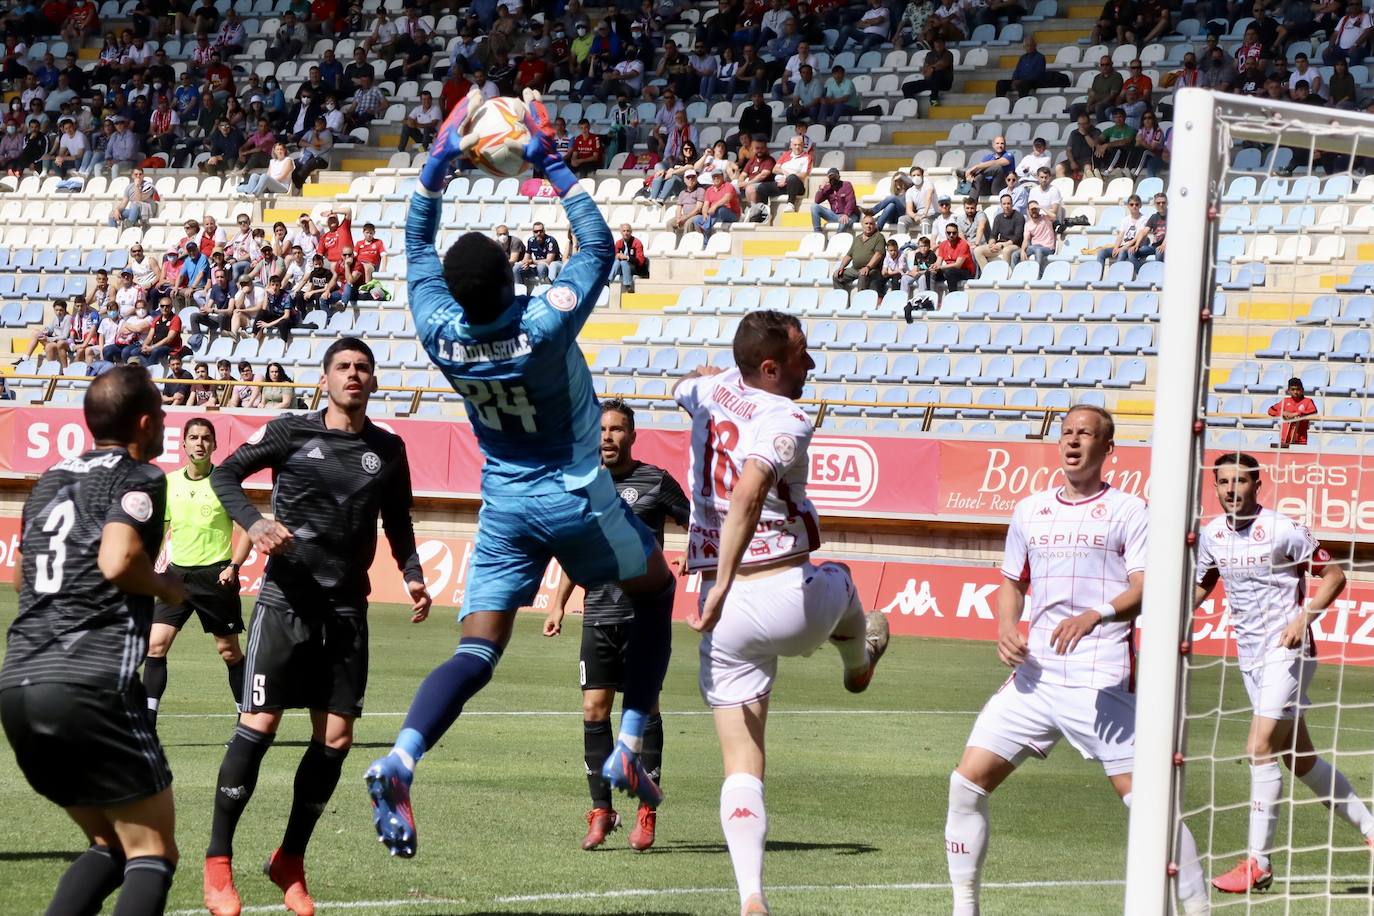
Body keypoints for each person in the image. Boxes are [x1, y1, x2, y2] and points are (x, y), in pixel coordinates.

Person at [365, 88, 678, 861]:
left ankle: (403, 755)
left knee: (476, 651)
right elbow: (597, 248)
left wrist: (436, 168)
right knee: (657, 589)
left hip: (503, 504)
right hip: (575, 494)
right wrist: (547, 164)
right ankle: (632, 739)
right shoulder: (540, 328)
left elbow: (413, 248)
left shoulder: (440, 333)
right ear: (511, 283)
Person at [946, 405, 1210, 915]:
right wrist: (1006, 628)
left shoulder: (1131, 512)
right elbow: (1012, 582)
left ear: (1108, 449)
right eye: (1066, 432)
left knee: (1150, 807)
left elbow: (1146, 587)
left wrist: (1098, 615)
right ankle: (965, 909)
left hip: (1100, 678)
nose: (1072, 441)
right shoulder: (1030, 509)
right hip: (1035, 678)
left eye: (1085, 434)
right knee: (966, 783)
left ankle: (1196, 910)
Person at [201, 337, 431, 916]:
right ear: (325, 379)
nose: (354, 375)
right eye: (343, 367)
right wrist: (253, 524)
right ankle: (218, 863)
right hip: (285, 604)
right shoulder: (289, 430)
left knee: (336, 740)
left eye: (363, 368)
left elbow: (397, 517)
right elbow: (225, 474)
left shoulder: (388, 448)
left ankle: (290, 861)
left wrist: (412, 573)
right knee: (259, 725)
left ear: (374, 382)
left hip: (348, 610)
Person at [673, 310, 889, 916]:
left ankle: (752, 896)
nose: (810, 366)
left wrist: (717, 590)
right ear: (770, 369)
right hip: (785, 595)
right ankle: (858, 658)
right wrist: (727, 583)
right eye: (801, 356)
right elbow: (748, 491)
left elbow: (681, 386)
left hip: (722, 614)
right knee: (844, 579)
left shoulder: (712, 390)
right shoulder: (786, 415)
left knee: (742, 760)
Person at [0, 365, 185, 916]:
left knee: (108, 844)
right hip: (89, 680)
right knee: (152, 851)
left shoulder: (51, 479)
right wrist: (167, 587)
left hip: (18, 685)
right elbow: (118, 558)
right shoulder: (140, 476)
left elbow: (20, 575)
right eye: (161, 410)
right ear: (147, 421)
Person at [1196, 452, 1374, 894]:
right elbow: (1204, 582)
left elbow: (1333, 576)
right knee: (1300, 759)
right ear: (1214, 486)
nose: (1231, 490)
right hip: (1249, 656)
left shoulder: (1282, 529)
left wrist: (1303, 618)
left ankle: (1258, 862)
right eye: (1223, 482)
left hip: (1289, 649)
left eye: (1240, 481)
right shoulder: (1212, 534)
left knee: (1258, 746)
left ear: (1259, 485)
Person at [543, 399, 689, 851]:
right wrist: (558, 600)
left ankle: (647, 812)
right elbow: (576, 547)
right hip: (599, 614)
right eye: (602, 429)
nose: (608, 436)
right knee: (594, 711)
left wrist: (696, 558)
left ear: (632, 436)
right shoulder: (584, 484)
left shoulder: (655, 481)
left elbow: (701, 522)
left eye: (617, 429)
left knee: (645, 713)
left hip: (644, 615)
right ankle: (601, 810)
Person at [142, 417, 252, 723]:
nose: (199, 443)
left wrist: (234, 566)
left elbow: (247, 529)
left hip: (216, 578)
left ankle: (246, 720)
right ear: (184, 443)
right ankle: (148, 721)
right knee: (156, 645)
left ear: (214, 445)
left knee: (229, 652)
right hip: (177, 577)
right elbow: (160, 527)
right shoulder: (170, 482)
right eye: (194, 437)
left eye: (206, 438)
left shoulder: (224, 482)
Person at [832, 212, 885, 292]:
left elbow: (878, 254)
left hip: (872, 270)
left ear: (874, 225)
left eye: (871, 224)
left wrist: (868, 267)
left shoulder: (879, 237)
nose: (868, 226)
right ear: (862, 225)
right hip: (855, 269)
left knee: (863, 274)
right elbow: (849, 255)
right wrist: (841, 267)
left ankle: (861, 301)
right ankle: (841, 300)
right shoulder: (857, 238)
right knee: (837, 276)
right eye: (866, 223)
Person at [974, 193, 1024, 268]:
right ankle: (988, 273)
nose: (1006, 206)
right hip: (999, 245)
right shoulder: (998, 217)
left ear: (1012, 204)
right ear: (1001, 205)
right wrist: (991, 244)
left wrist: (1003, 245)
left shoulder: (1019, 217)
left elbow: (1018, 237)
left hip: (1014, 245)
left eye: (1008, 203)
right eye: (1004, 204)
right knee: (977, 251)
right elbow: (993, 234)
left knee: (1006, 250)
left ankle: (1006, 275)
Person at [1267, 377, 1318, 447]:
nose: (1295, 392)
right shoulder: (1285, 401)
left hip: (1300, 439)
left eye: (1298, 389)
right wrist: (1282, 413)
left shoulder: (1307, 401)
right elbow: (1271, 410)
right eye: (1293, 389)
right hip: (1284, 439)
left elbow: (1313, 410)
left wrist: (1297, 414)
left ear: (1302, 390)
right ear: (1288, 390)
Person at [811, 167, 857, 233]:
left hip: (850, 215)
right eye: (831, 177)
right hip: (835, 215)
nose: (833, 179)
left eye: (835, 176)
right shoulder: (827, 188)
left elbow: (851, 201)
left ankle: (835, 240)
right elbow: (817, 201)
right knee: (814, 207)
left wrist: (846, 214)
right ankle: (817, 232)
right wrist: (821, 187)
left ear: (839, 177)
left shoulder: (846, 185)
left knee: (843, 222)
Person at [933, 222, 974, 292]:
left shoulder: (963, 244)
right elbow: (938, 262)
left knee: (950, 272)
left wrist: (940, 267)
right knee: (931, 273)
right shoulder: (943, 244)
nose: (951, 235)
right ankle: (929, 296)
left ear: (957, 233)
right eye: (949, 233)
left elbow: (958, 265)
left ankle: (953, 296)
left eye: (954, 233)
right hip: (950, 270)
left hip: (966, 271)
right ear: (945, 233)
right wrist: (934, 267)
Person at [612, 223, 649, 294]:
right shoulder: (618, 243)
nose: (626, 233)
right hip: (622, 267)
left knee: (623, 262)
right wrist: (617, 256)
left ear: (631, 232)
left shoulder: (637, 243)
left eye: (628, 231)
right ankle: (608, 281)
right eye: (624, 231)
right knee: (617, 262)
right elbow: (614, 256)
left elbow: (640, 261)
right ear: (621, 232)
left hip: (636, 267)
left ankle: (628, 286)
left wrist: (627, 258)